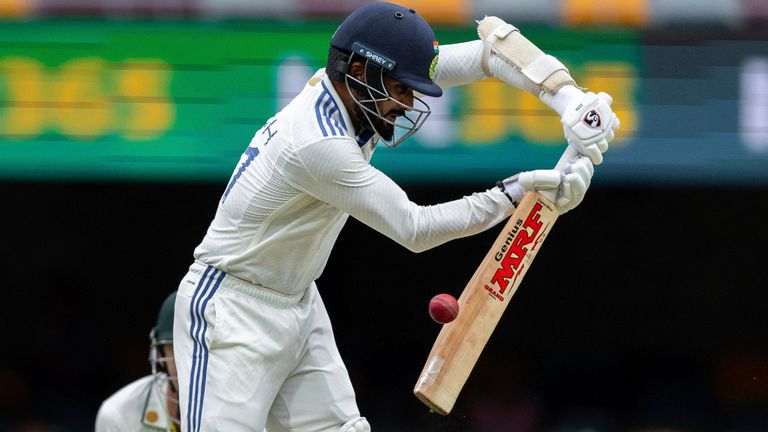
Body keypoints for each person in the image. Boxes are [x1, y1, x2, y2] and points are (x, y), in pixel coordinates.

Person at [172, 3, 620, 431]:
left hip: (299, 302)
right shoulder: (317, 143)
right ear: (361, 71)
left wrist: (570, 100)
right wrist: (514, 193)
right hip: (231, 310)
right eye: (402, 89)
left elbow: (491, 51)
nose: (407, 104)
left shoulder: (357, 83)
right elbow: (414, 228)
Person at [96, 292, 180, 432]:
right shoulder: (120, 415)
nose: (191, 363)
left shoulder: (230, 406)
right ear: (159, 352)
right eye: (178, 348)